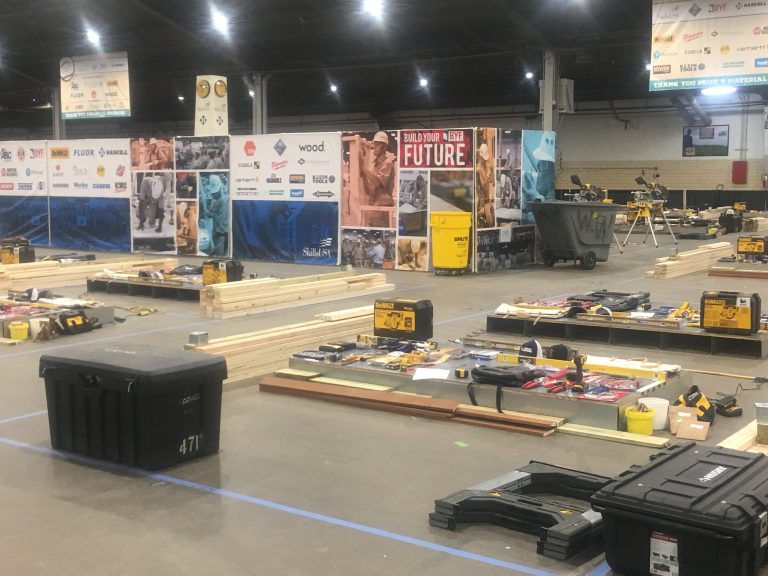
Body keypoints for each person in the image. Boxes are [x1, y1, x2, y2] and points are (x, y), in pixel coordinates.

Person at [360, 132, 396, 207]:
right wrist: (364, 177)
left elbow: (378, 183)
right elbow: (369, 191)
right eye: (374, 144)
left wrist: (363, 168)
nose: (375, 147)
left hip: (383, 207)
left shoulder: (388, 164)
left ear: (384, 147)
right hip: (374, 206)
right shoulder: (374, 165)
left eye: (378, 144)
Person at [204, 174, 228, 255]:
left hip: (221, 233)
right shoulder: (219, 198)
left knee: (219, 255)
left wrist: (208, 213)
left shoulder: (224, 201)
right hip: (219, 231)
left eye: (215, 192)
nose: (213, 194)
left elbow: (218, 219)